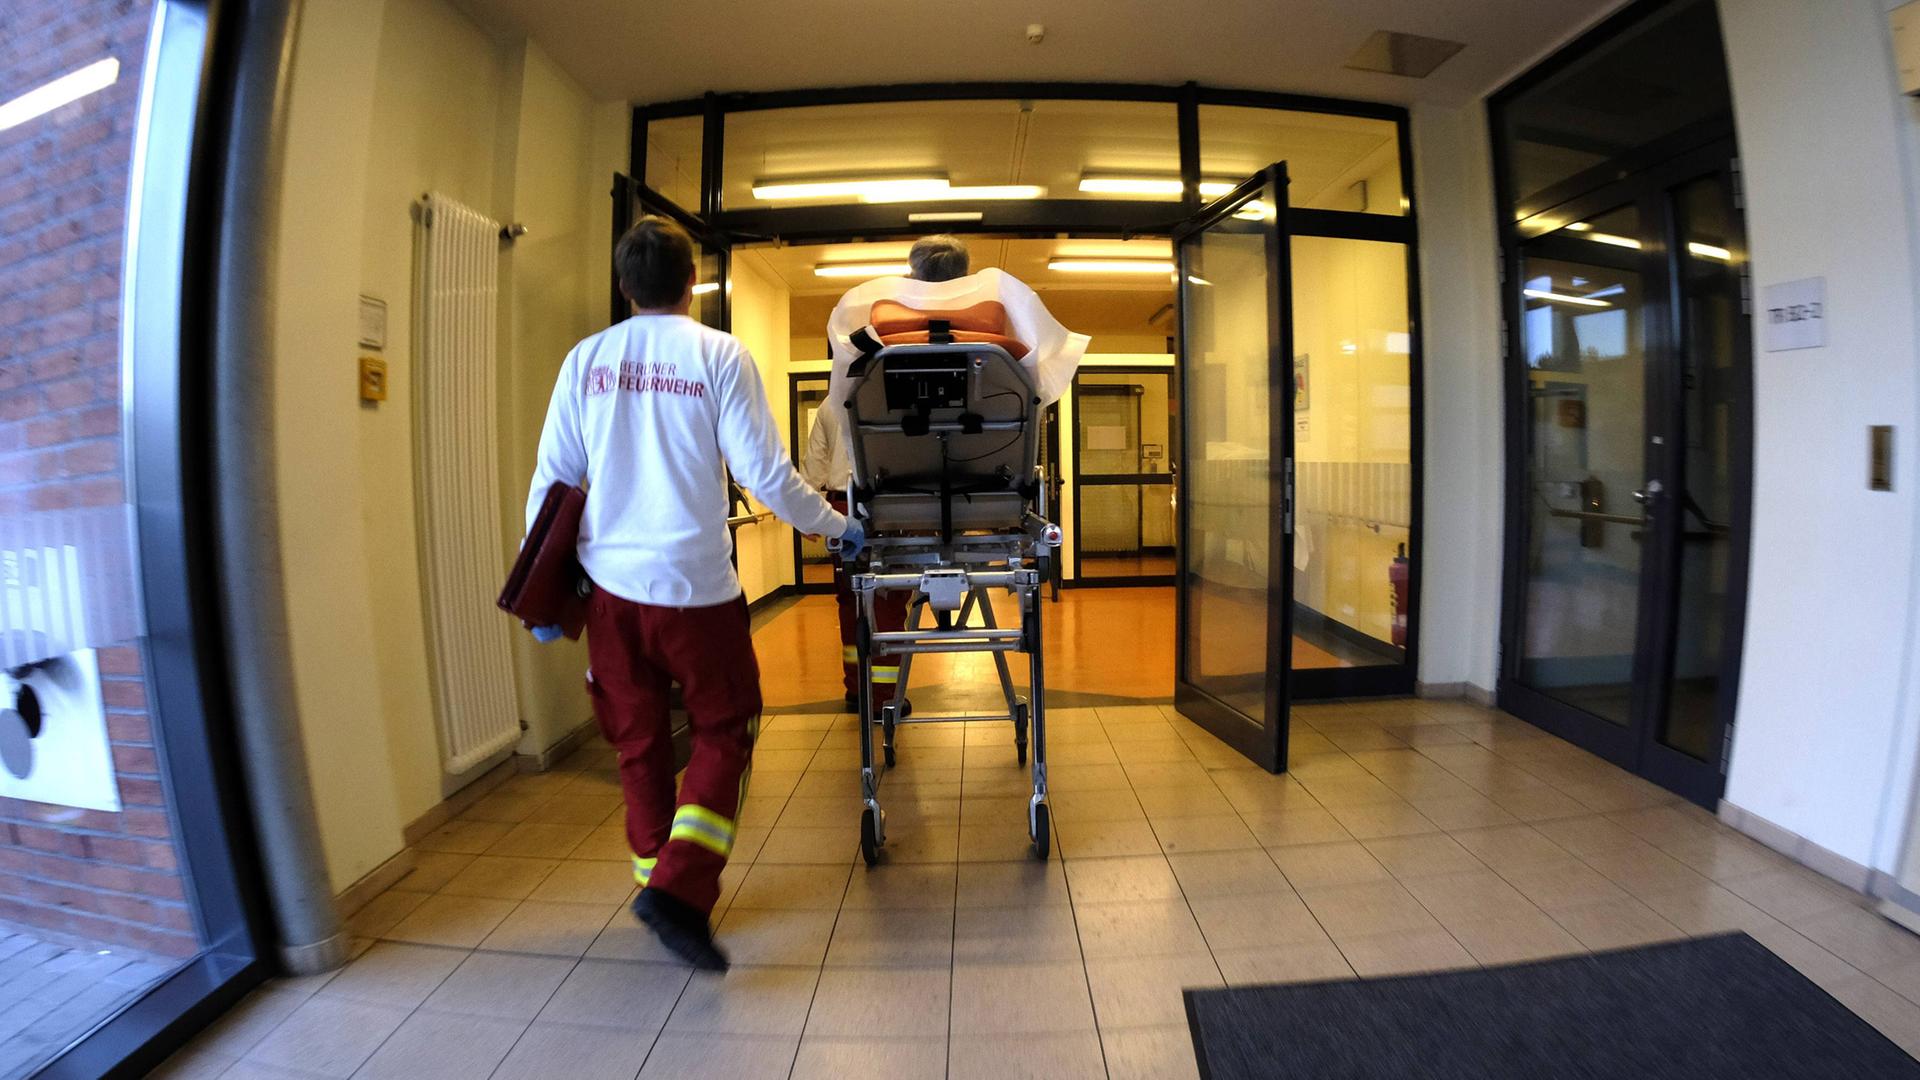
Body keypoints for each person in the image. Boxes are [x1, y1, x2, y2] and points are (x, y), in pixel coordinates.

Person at [524, 215, 864, 971]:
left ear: (623, 287)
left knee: (639, 743)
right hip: (697, 592)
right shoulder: (719, 355)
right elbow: (767, 476)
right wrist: (838, 528)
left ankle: (655, 883)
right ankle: (677, 892)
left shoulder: (586, 360)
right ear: (692, 284)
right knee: (726, 727)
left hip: (610, 592)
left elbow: (553, 482)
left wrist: (543, 593)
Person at [806, 235, 1088, 714]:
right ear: (967, 273)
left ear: (910, 274)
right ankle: (884, 691)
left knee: (859, 605)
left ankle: (867, 694)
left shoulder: (862, 374)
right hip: (971, 498)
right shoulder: (1000, 356)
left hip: (872, 505)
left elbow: (817, 468)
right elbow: (1036, 400)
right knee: (893, 603)